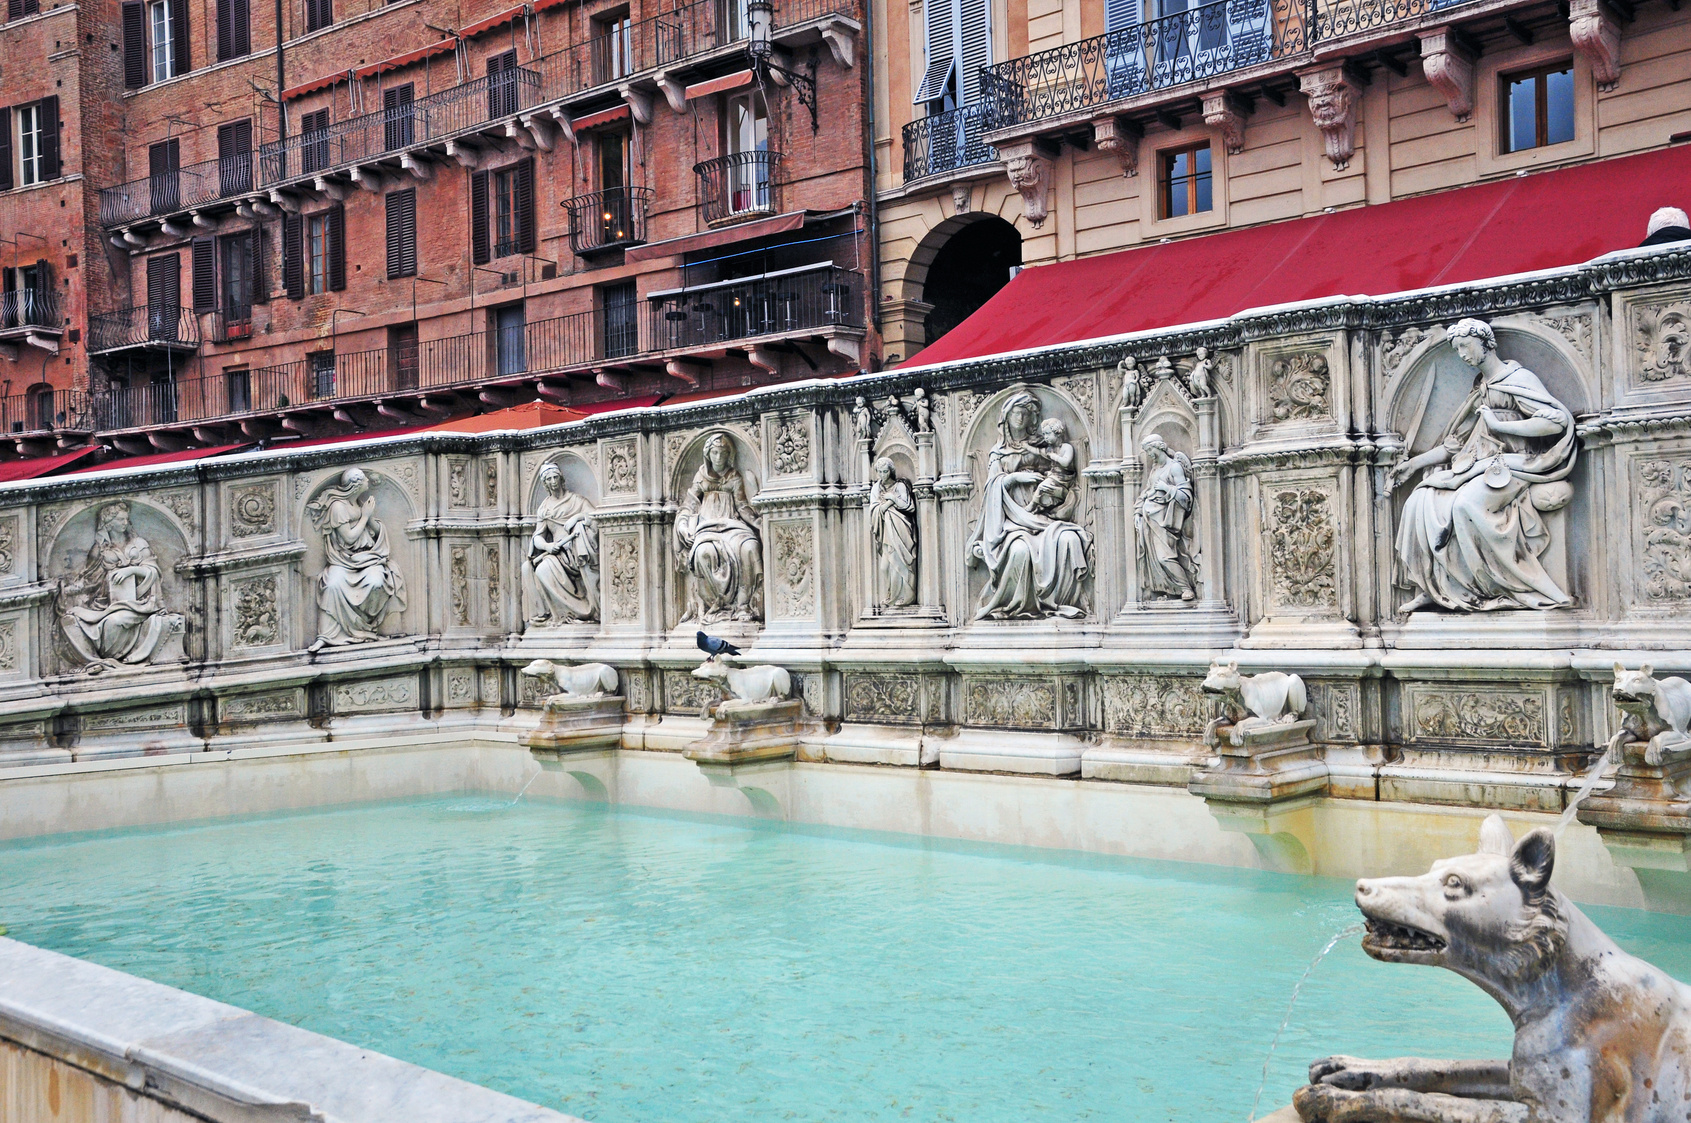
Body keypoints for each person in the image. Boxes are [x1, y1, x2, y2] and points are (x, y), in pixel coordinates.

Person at [1390, 318, 1577, 613]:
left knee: (1466, 504)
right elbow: (1455, 444)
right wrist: (1414, 464)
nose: (1462, 355)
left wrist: (1500, 425)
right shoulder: (1480, 389)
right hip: (1479, 465)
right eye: (1457, 349)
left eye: (1465, 346)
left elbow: (1555, 422)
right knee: (1419, 499)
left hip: (1517, 464)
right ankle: (1434, 587)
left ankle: (1504, 587)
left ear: (1485, 342)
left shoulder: (1519, 379)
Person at [966, 390, 1092, 619]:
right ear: (1006, 417)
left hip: (1046, 514)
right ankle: (1018, 607)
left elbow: (1062, 474)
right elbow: (991, 489)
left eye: (1025, 413)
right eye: (1016, 413)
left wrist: (1056, 494)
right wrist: (1015, 478)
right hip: (1013, 521)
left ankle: (1057, 606)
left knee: (1069, 539)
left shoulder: (1043, 445)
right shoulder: (999, 453)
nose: (1020, 418)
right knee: (1020, 551)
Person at [59, 501, 182, 671]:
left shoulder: (139, 544)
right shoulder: (100, 550)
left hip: (140, 603)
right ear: (109, 523)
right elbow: (90, 581)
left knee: (115, 622)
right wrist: (68, 590)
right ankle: (96, 660)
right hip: (108, 604)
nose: (125, 523)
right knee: (71, 619)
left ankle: (119, 659)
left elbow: (154, 571)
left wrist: (131, 570)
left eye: (126, 519)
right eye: (120, 520)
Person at [307, 468, 407, 651]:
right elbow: (349, 538)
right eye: (364, 479)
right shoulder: (338, 507)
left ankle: (365, 629)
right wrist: (365, 516)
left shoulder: (359, 504)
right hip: (343, 561)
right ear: (356, 485)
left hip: (368, 559)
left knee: (377, 583)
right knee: (332, 586)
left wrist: (369, 517)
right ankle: (326, 636)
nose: (368, 480)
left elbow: (376, 531)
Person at [674, 433, 764, 624]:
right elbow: (689, 504)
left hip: (733, 525)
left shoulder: (734, 476)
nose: (718, 457)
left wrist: (758, 523)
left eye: (723, 453)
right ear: (708, 454)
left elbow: (742, 506)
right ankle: (716, 604)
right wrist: (682, 525)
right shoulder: (701, 477)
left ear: (729, 455)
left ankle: (743, 605)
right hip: (707, 528)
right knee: (703, 552)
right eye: (715, 453)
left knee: (750, 547)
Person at [528, 463, 599, 624]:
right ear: (545, 483)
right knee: (541, 569)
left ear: (561, 479)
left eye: (555, 477)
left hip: (577, 551)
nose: (553, 482)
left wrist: (577, 518)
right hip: (557, 553)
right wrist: (547, 546)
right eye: (549, 479)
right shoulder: (544, 509)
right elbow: (537, 537)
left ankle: (586, 611)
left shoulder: (576, 500)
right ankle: (566, 613)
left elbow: (595, 518)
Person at [1135, 435, 1198, 601]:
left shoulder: (1174, 467)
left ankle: (1186, 588)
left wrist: (1166, 488)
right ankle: (1170, 590)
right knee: (1155, 559)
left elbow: (1186, 496)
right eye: (1146, 451)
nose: (1149, 454)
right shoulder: (1155, 469)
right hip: (1149, 519)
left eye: (1150, 449)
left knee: (1165, 558)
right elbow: (1147, 492)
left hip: (1166, 520)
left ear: (1160, 447)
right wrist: (1137, 511)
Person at [868, 457, 918, 609]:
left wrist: (892, 499)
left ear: (891, 471)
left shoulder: (900, 486)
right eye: (880, 472)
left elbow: (909, 506)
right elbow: (873, 508)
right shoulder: (876, 488)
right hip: (885, 531)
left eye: (885, 471)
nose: (883, 475)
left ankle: (906, 596)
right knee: (884, 567)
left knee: (900, 562)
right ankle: (891, 595)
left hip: (901, 529)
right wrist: (883, 507)